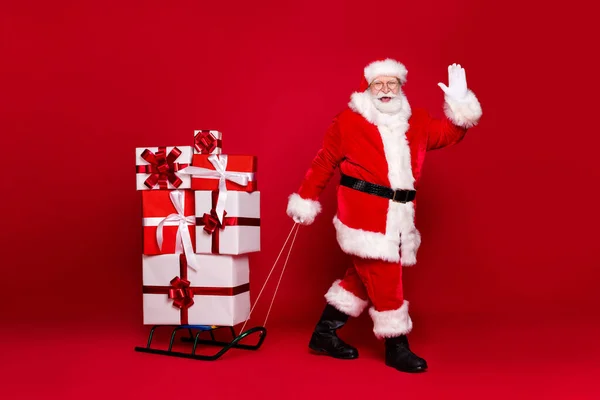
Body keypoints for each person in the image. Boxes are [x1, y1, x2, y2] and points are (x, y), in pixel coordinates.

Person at [285, 58, 482, 373]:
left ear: (401, 87)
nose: (386, 89)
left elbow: (447, 134)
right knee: (386, 277)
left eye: (393, 83)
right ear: (367, 86)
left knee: (362, 279)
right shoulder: (348, 122)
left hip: (400, 216)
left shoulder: (415, 120)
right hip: (364, 217)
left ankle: (324, 334)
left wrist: (459, 103)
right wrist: (305, 199)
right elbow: (323, 162)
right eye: (380, 83)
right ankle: (396, 345)